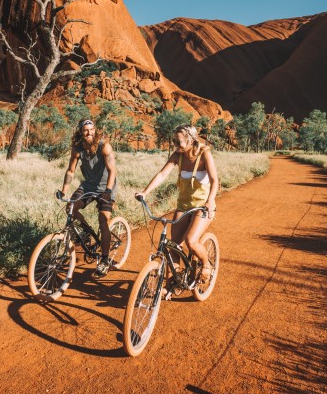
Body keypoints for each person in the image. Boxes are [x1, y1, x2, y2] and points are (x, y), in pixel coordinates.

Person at [135, 124, 218, 283]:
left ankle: (206, 264)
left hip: (203, 206)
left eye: (178, 141)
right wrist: (145, 192)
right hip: (184, 205)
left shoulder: (204, 154)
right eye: (174, 141)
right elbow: (162, 174)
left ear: (191, 140)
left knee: (191, 242)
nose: (175, 144)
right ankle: (173, 282)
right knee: (173, 245)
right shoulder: (177, 155)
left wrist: (210, 200)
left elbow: (214, 180)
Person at [59, 119, 118, 278]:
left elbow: (112, 170)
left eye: (91, 129)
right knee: (71, 207)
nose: (89, 132)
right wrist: (64, 190)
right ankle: (86, 234)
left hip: (106, 186)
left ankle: (105, 260)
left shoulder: (103, 145)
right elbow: (70, 170)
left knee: (103, 220)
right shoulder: (77, 147)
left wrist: (108, 191)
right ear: (80, 132)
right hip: (88, 186)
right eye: (86, 130)